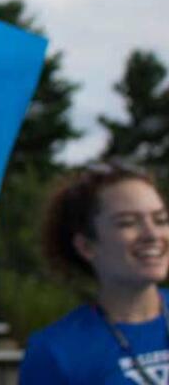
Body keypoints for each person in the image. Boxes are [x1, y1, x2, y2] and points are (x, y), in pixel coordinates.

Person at [20, 162, 169, 383]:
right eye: (128, 223)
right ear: (86, 246)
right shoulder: (57, 351)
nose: (152, 235)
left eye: (161, 220)